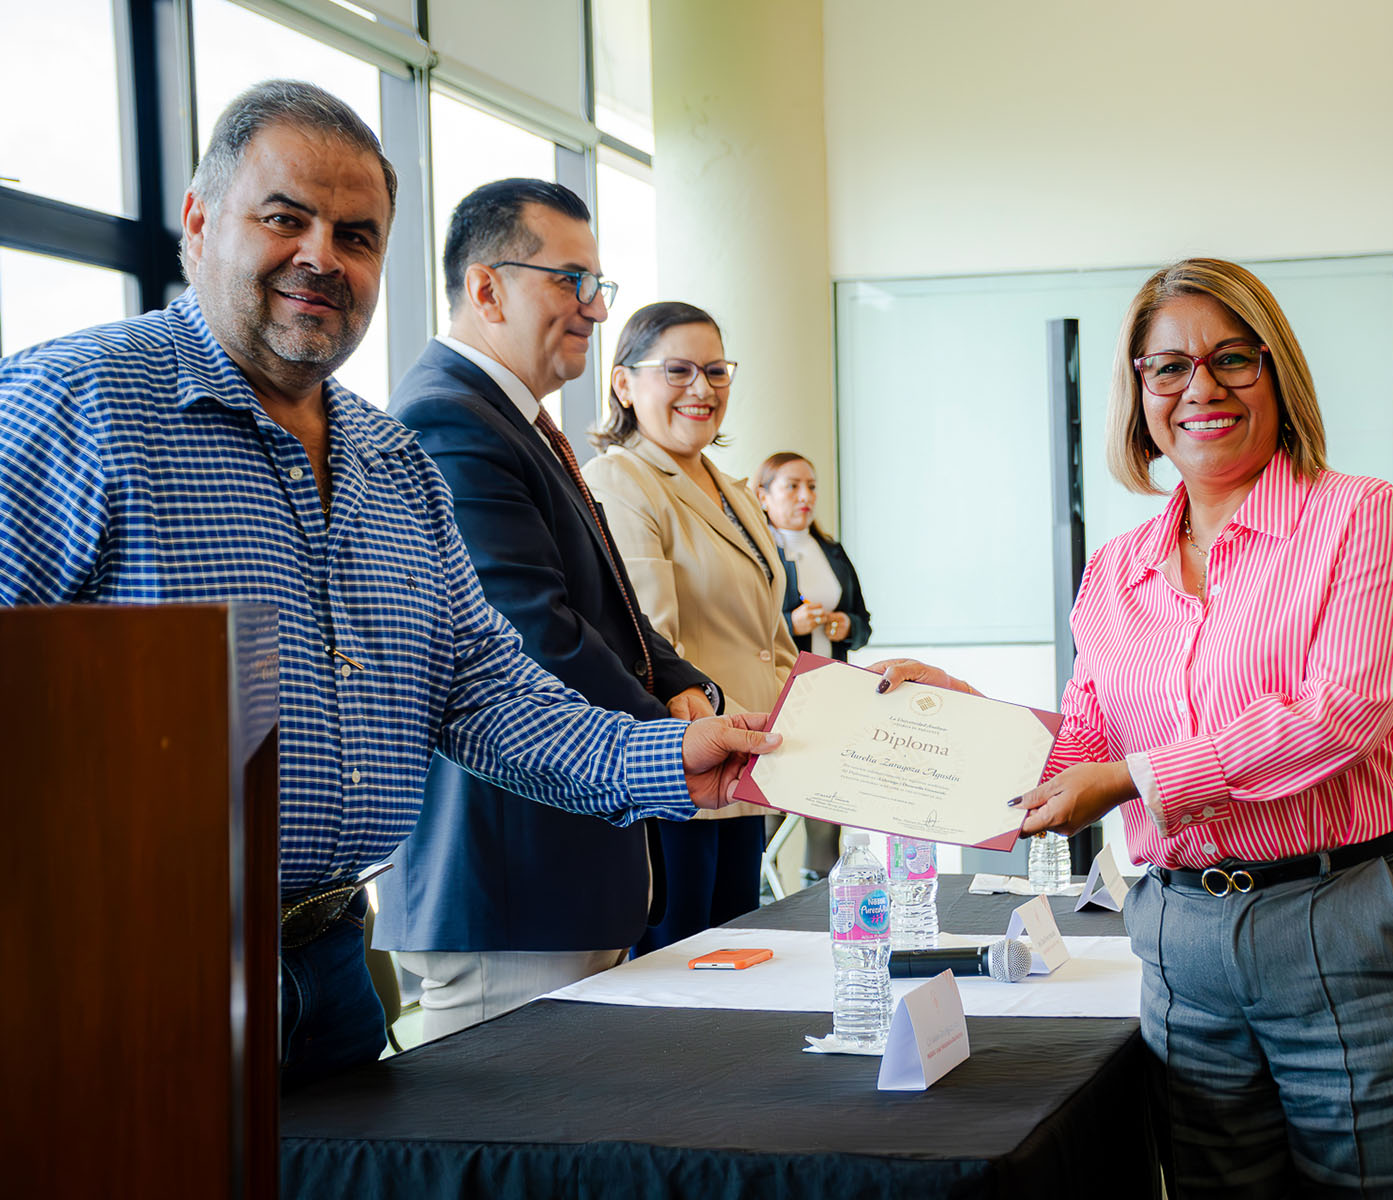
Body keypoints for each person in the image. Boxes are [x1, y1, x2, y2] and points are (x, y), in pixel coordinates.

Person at [0, 81, 775, 1088]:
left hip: (332, 967)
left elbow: (488, 694)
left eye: (357, 235)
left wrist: (673, 757)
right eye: (284, 218)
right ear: (198, 224)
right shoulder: (70, 409)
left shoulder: (392, 461)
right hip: (119, 977)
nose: (322, 255)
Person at [875, 258, 1393, 1197]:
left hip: (1354, 918)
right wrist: (952, 715)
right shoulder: (1118, 569)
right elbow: (1083, 743)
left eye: (1233, 359)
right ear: (1140, 394)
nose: (1201, 387)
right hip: (1182, 937)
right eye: (1168, 368)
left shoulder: (1361, 517)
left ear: (1280, 374)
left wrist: (1132, 781)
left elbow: (1338, 717)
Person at [371, 179, 723, 1040]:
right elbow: (529, 636)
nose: (596, 310)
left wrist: (677, 682)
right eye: (570, 281)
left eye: (598, 285)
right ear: (486, 287)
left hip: (563, 868)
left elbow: (604, 604)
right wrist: (663, 738)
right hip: (511, 875)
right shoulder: (448, 421)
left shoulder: (514, 419)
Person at [583, 302, 798, 950]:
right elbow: (652, 645)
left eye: (715, 370)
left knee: (741, 970)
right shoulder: (622, 480)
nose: (701, 389)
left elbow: (771, 641)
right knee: (686, 977)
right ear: (624, 383)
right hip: (685, 773)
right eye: (677, 370)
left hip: (748, 774)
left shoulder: (733, 489)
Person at [756, 450, 871, 882]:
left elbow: (864, 622)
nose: (806, 496)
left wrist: (845, 625)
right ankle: (762, 897)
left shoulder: (831, 551)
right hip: (777, 694)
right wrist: (790, 624)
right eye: (792, 486)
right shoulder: (757, 551)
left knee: (827, 795)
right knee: (769, 798)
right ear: (763, 496)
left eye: (812, 486)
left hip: (832, 692)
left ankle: (821, 892)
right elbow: (743, 625)